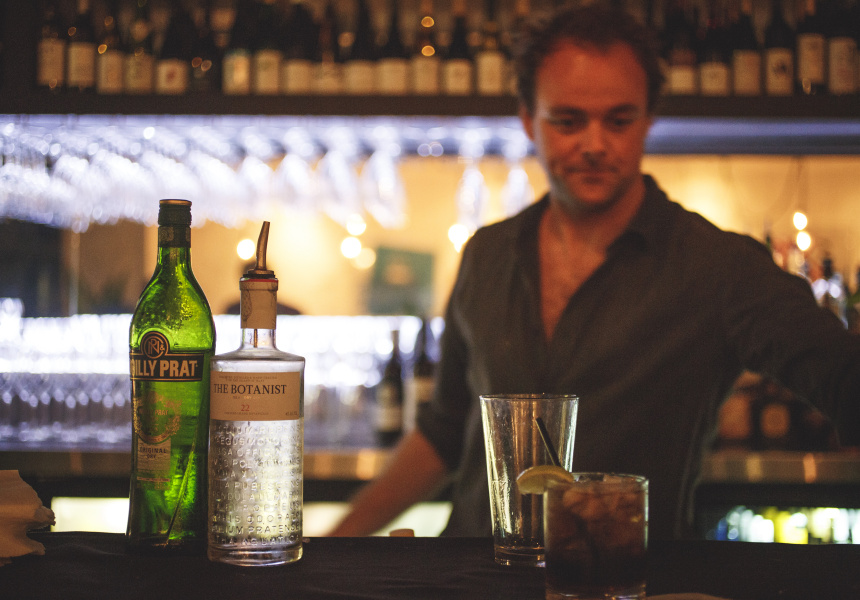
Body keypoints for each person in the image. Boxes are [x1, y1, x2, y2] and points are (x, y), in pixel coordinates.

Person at [328, 4, 860, 541]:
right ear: (528, 120)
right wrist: (337, 544)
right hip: (472, 572)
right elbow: (444, 431)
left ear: (649, 120)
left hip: (627, 575)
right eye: (568, 121)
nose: (595, 144)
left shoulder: (717, 265)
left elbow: (841, 374)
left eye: (619, 120)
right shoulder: (487, 255)